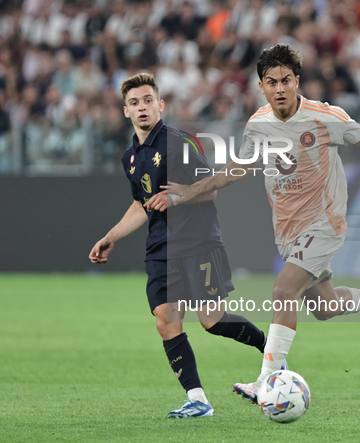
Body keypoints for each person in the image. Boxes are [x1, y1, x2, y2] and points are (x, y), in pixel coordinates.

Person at [166, 44, 360, 404]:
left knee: (283, 291)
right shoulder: (258, 125)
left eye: (285, 80)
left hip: (325, 222)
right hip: (288, 230)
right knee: (324, 308)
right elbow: (237, 169)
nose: (279, 88)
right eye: (271, 82)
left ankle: (266, 380)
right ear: (261, 87)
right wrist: (191, 191)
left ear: (297, 81)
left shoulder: (326, 117)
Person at [89, 73, 286, 418]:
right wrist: (111, 237)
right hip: (160, 248)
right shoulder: (130, 159)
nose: (142, 107)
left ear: (160, 105)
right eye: (134, 103)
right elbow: (141, 205)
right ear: (126, 111)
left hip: (197, 242)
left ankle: (273, 355)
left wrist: (176, 197)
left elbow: (209, 188)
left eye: (148, 100)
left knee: (211, 321)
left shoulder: (179, 142)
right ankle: (198, 399)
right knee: (166, 320)